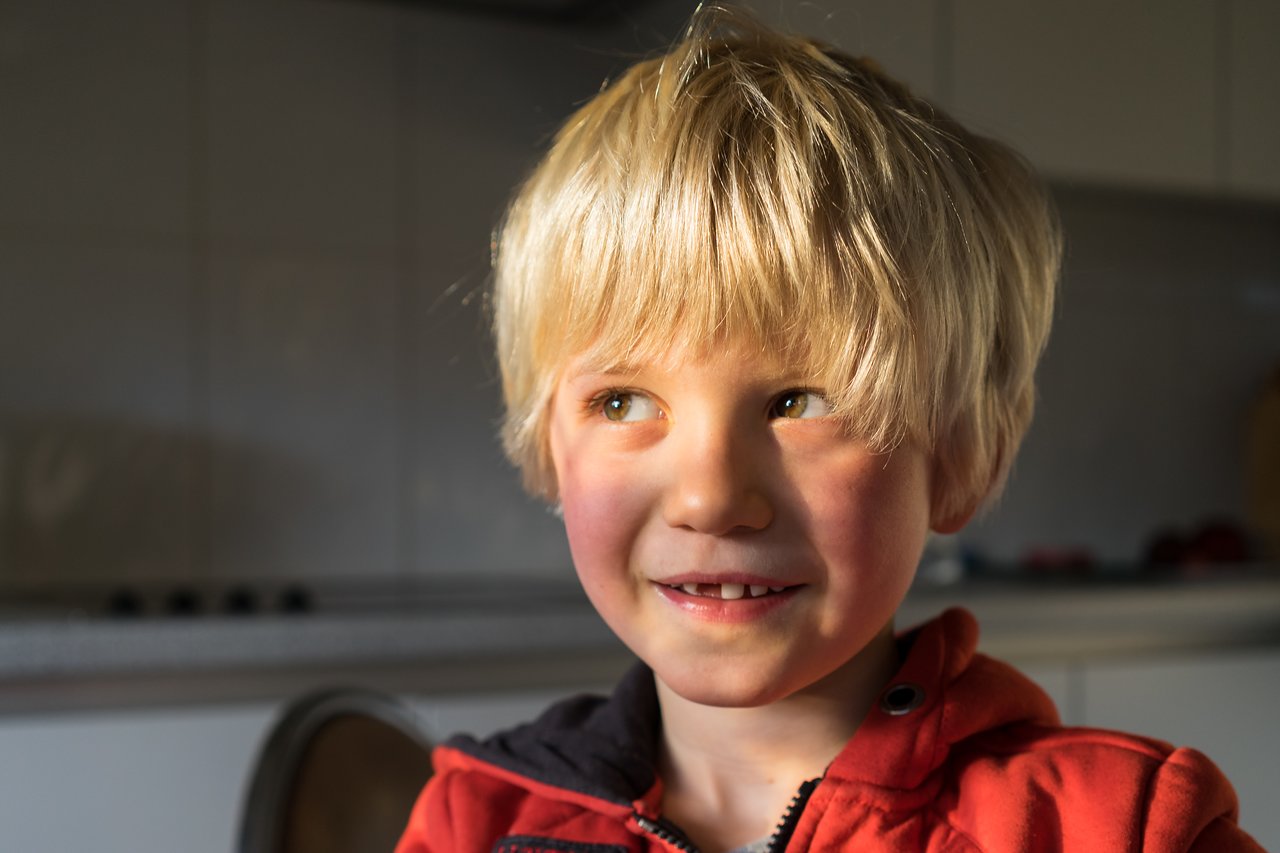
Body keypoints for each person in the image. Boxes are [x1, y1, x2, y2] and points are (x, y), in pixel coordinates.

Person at [397, 6, 1263, 851]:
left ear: (964, 451)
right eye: (623, 401)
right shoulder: (472, 822)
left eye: (800, 400)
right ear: (549, 445)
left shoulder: (1134, 828)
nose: (709, 497)